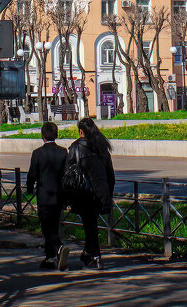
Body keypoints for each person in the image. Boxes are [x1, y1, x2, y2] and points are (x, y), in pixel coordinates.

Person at [66, 116, 115, 270]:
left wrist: (68, 197)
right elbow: (110, 175)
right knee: (91, 224)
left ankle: (95, 256)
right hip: (100, 193)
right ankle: (89, 254)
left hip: (83, 193)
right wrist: (108, 194)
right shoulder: (102, 147)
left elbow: (67, 175)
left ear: (81, 132)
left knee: (90, 226)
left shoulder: (75, 148)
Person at [26, 121, 70, 270]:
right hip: (59, 195)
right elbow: (66, 175)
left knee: (46, 227)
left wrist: (29, 189)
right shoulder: (63, 152)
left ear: (42, 136)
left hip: (43, 195)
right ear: (56, 135)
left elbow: (32, 174)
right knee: (54, 224)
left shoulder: (37, 153)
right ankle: (49, 257)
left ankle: (58, 248)